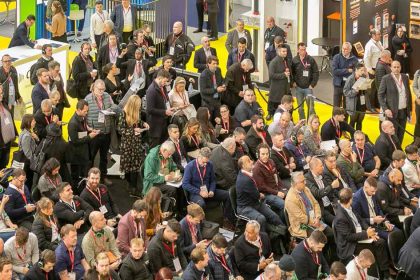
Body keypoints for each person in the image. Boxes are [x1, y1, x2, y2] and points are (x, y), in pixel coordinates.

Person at [334, 188, 391, 279]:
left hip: (359, 235)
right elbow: (349, 237)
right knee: (376, 246)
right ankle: (375, 275)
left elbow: (360, 219)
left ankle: (384, 272)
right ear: (350, 200)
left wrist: (368, 229)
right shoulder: (340, 217)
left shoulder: (349, 207)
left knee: (380, 242)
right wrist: (367, 234)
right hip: (350, 245)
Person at [182, 147, 234, 224]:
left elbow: (213, 180)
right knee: (201, 204)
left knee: (228, 195)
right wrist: (199, 192)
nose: (205, 164)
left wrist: (212, 190)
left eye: (206, 162)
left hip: (208, 190)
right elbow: (185, 184)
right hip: (196, 193)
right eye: (203, 162)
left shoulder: (209, 164)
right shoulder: (190, 167)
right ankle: (202, 223)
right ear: (199, 156)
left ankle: (228, 218)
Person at [85, 79, 118, 185]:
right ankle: (88, 179)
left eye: (103, 89)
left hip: (106, 132)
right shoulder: (87, 99)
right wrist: (89, 128)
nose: (101, 91)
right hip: (94, 134)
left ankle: (103, 177)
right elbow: (84, 116)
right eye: (99, 89)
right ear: (94, 88)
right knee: (91, 157)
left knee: (104, 157)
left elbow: (113, 106)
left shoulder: (107, 96)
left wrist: (112, 110)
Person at [236, 155, 282, 232]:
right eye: (249, 161)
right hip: (245, 207)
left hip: (255, 203)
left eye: (250, 159)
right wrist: (260, 195)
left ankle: (284, 233)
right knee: (261, 219)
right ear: (243, 166)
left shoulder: (248, 174)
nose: (252, 161)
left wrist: (260, 195)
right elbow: (257, 195)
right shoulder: (245, 179)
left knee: (274, 216)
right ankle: (263, 238)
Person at [117, 95, 149, 195]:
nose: (140, 106)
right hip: (127, 144)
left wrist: (143, 123)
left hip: (136, 142)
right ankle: (130, 185)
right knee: (128, 165)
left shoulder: (137, 111)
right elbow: (120, 129)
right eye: (138, 105)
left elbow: (137, 120)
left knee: (135, 165)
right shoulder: (123, 113)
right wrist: (133, 131)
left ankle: (133, 187)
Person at [285, 171, 330, 238]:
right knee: (319, 237)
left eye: (304, 180)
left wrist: (317, 216)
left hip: (314, 219)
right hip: (301, 225)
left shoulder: (305, 189)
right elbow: (301, 218)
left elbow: (315, 203)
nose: (305, 183)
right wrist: (314, 222)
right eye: (302, 181)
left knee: (330, 233)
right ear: (295, 184)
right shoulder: (290, 199)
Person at [378, 60, 412, 143]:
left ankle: (399, 151)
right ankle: (393, 151)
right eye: (394, 67)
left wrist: (409, 110)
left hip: (404, 111)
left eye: (398, 67)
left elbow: (408, 94)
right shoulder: (386, 78)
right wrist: (385, 109)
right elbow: (380, 95)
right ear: (391, 68)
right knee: (393, 134)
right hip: (392, 112)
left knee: (401, 133)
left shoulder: (405, 77)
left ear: (400, 67)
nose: (396, 69)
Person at [67, 100, 99, 188]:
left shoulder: (82, 117)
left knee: (84, 172)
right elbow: (75, 141)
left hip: (83, 151)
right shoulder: (72, 124)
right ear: (78, 110)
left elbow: (84, 127)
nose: (87, 112)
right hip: (76, 154)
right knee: (76, 176)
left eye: (87, 110)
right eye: (85, 111)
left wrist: (89, 129)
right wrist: (90, 137)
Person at [253, 143, 288, 212]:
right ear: (258, 155)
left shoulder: (271, 162)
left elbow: (277, 177)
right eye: (263, 154)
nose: (265, 156)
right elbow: (262, 187)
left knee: (292, 198)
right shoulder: (256, 169)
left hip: (276, 189)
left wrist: (282, 188)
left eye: (267, 154)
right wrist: (277, 193)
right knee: (285, 205)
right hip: (267, 194)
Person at [305, 157, 339, 226]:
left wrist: (339, 200)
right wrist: (332, 186)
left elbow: (331, 191)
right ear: (315, 167)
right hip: (322, 208)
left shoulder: (322, 174)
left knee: (346, 216)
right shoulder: (307, 179)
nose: (323, 167)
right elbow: (317, 193)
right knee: (338, 222)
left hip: (331, 203)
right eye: (321, 166)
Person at [291, 42, 319, 120]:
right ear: (298, 50)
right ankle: (302, 124)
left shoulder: (310, 59)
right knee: (300, 109)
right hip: (298, 88)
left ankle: (312, 123)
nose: (303, 51)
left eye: (304, 49)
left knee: (311, 108)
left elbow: (316, 72)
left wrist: (313, 84)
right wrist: (293, 82)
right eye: (301, 50)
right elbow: (291, 73)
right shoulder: (294, 60)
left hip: (308, 88)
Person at [146, 70, 174, 147]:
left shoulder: (162, 87)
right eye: (165, 81)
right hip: (155, 125)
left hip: (163, 122)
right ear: (160, 78)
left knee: (163, 146)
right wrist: (165, 112)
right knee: (154, 148)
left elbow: (165, 100)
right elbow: (150, 109)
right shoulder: (151, 90)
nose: (166, 83)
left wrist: (169, 108)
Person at [267, 45, 292, 120]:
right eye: (283, 51)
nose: (285, 53)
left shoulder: (286, 60)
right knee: (276, 109)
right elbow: (271, 75)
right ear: (278, 52)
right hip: (277, 91)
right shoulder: (273, 62)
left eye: (286, 51)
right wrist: (283, 75)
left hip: (286, 89)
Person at [331, 42, 359, 108]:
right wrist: (347, 70)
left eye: (346, 49)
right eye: (343, 48)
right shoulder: (336, 57)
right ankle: (335, 118)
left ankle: (344, 118)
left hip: (349, 85)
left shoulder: (354, 59)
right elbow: (335, 71)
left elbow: (356, 71)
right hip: (338, 85)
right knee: (336, 106)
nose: (343, 50)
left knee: (346, 106)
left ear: (350, 50)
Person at [200, 56, 225, 120]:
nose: (216, 65)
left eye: (216, 63)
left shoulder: (218, 70)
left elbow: (222, 79)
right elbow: (203, 90)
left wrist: (224, 84)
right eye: (214, 64)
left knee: (219, 120)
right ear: (208, 64)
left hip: (217, 100)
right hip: (208, 103)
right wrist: (216, 90)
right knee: (209, 121)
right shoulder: (204, 75)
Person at [343, 64, 368, 130]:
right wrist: (354, 91)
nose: (363, 72)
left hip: (362, 103)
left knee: (360, 122)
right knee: (352, 122)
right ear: (356, 70)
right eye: (361, 70)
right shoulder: (350, 79)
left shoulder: (364, 77)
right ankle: (352, 138)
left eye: (364, 70)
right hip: (353, 104)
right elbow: (345, 92)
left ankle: (359, 136)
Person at [364, 29, 384, 110]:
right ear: (373, 35)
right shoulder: (369, 45)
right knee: (370, 89)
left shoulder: (379, 42)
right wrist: (369, 70)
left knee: (377, 88)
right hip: (372, 69)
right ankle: (370, 107)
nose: (380, 35)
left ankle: (376, 104)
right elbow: (366, 58)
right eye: (379, 34)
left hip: (378, 68)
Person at [18, 114, 38, 189]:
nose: (35, 122)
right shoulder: (26, 136)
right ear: (28, 122)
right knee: (28, 181)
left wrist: (36, 138)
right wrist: (35, 162)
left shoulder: (27, 132)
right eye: (33, 121)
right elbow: (28, 153)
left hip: (28, 163)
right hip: (28, 164)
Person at [0, 86, 17, 170]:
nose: (1, 95)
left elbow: (10, 119)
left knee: (5, 164)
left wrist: (15, 133)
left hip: (7, 141)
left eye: (1, 92)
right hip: (1, 143)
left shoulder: (3, 103)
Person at [412, 69, 420, 146]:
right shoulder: (418, 72)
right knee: (418, 122)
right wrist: (418, 95)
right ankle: (417, 142)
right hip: (419, 101)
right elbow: (414, 86)